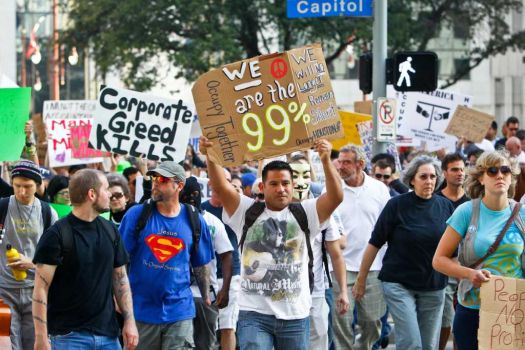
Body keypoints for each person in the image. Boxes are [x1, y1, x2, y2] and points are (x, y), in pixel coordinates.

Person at [200, 136, 343, 350]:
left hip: (296, 316)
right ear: (262, 186)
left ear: (293, 185)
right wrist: (210, 155)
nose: (281, 189)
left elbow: (336, 196)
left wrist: (325, 160)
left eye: (286, 183)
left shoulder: (307, 212)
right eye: (274, 184)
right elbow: (221, 186)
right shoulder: (245, 212)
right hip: (253, 315)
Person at [355, 155, 454, 349]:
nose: (429, 181)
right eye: (423, 176)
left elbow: (454, 250)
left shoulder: (445, 207)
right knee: (411, 342)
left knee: (428, 346)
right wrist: (361, 279)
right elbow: (374, 243)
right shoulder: (396, 205)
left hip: (434, 285)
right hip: (399, 284)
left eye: (433, 177)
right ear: (412, 180)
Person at [32, 169, 138, 350]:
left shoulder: (111, 231)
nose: (110, 194)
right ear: (92, 194)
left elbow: (120, 279)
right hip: (68, 338)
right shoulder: (56, 235)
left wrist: (129, 321)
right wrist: (41, 337)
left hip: (109, 336)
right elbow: (41, 288)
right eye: (106, 189)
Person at [433, 151, 525, 350]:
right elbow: (439, 260)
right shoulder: (467, 211)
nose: (499, 175)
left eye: (505, 170)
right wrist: (469, 273)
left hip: (513, 309)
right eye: (492, 171)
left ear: (512, 176)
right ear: (481, 178)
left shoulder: (522, 213)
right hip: (473, 309)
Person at [119, 161, 214, 350]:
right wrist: (117, 298)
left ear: (179, 185)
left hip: (180, 311)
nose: (155, 183)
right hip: (140, 311)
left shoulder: (195, 220)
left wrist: (206, 295)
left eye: (162, 179)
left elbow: (201, 264)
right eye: (153, 178)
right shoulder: (136, 215)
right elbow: (118, 261)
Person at [332, 145, 390, 350]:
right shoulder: (332, 188)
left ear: (360, 164)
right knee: (341, 324)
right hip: (340, 267)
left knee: (373, 322)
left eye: (346, 162)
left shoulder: (380, 189)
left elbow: (388, 227)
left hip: (374, 267)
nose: (341, 166)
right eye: (339, 161)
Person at [289, 154, 350, 349]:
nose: (300, 182)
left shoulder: (322, 212)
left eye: (305, 176)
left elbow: (337, 254)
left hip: (315, 290)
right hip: (282, 293)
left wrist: (343, 291)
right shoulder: (273, 210)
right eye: (294, 176)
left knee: (319, 339)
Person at [0, 160, 58, 350]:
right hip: (4, 291)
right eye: (17, 186)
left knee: (36, 344)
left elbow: (56, 258)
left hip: (37, 289)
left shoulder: (48, 213)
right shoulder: (2, 207)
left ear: (39, 185)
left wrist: (31, 264)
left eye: (27, 186)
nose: (22, 192)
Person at [180, 176, 233, 350]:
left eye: (195, 194)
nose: (191, 198)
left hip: (206, 295)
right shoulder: (172, 219)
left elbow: (226, 255)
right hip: (178, 294)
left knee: (206, 344)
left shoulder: (212, 222)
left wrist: (224, 288)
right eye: (186, 194)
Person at [201, 170, 241, 350]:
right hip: (204, 277)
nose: (221, 184)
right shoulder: (201, 209)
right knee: (206, 327)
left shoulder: (235, 208)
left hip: (231, 274)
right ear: (210, 184)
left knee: (227, 326)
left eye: (225, 181)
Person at [436, 153, 469, 350]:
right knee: (446, 319)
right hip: (443, 269)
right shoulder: (435, 199)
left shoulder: (471, 202)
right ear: (444, 173)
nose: (459, 174)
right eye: (455, 169)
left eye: (462, 170)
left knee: (463, 322)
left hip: (469, 269)